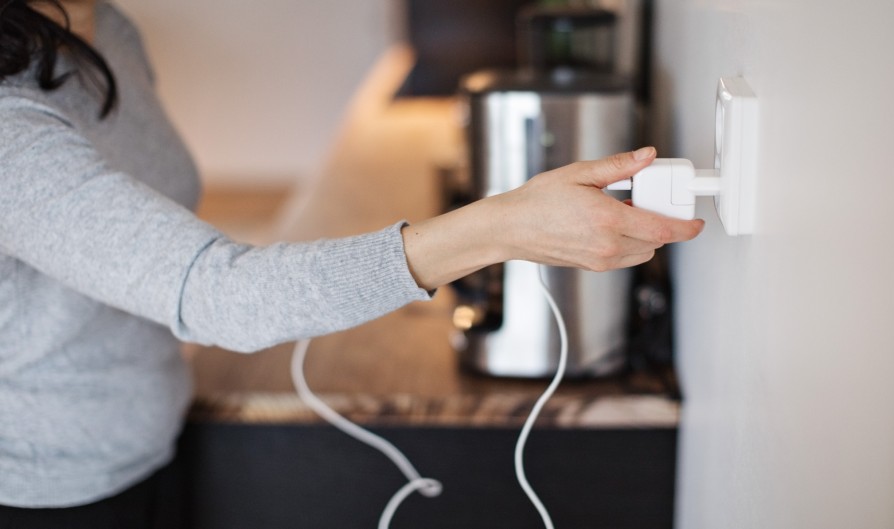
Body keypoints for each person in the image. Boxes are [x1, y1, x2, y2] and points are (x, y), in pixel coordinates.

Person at [0, 0, 704, 526]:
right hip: (47, 488)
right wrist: (502, 227)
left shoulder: (104, 31)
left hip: (156, 433)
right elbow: (221, 295)